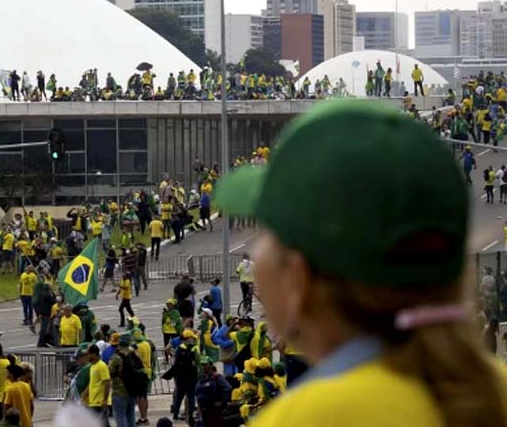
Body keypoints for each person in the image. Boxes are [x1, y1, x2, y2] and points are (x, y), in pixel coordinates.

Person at [213, 100, 507, 425]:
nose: (255, 255)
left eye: (265, 232)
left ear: (299, 277)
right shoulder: (494, 389)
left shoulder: (304, 417)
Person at [194, 358, 230, 427]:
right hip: (203, 411)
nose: (203, 367)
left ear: (210, 365)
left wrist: (222, 402)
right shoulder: (201, 379)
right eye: (202, 365)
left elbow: (228, 389)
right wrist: (199, 412)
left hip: (214, 411)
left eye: (205, 365)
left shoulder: (217, 377)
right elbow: (198, 395)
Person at [87, 344, 111, 423]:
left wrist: (105, 399)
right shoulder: (93, 366)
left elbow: (107, 382)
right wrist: (84, 395)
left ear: (93, 354)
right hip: (93, 401)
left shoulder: (101, 366)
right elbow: (92, 383)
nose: (87, 356)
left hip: (99, 402)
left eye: (88, 354)